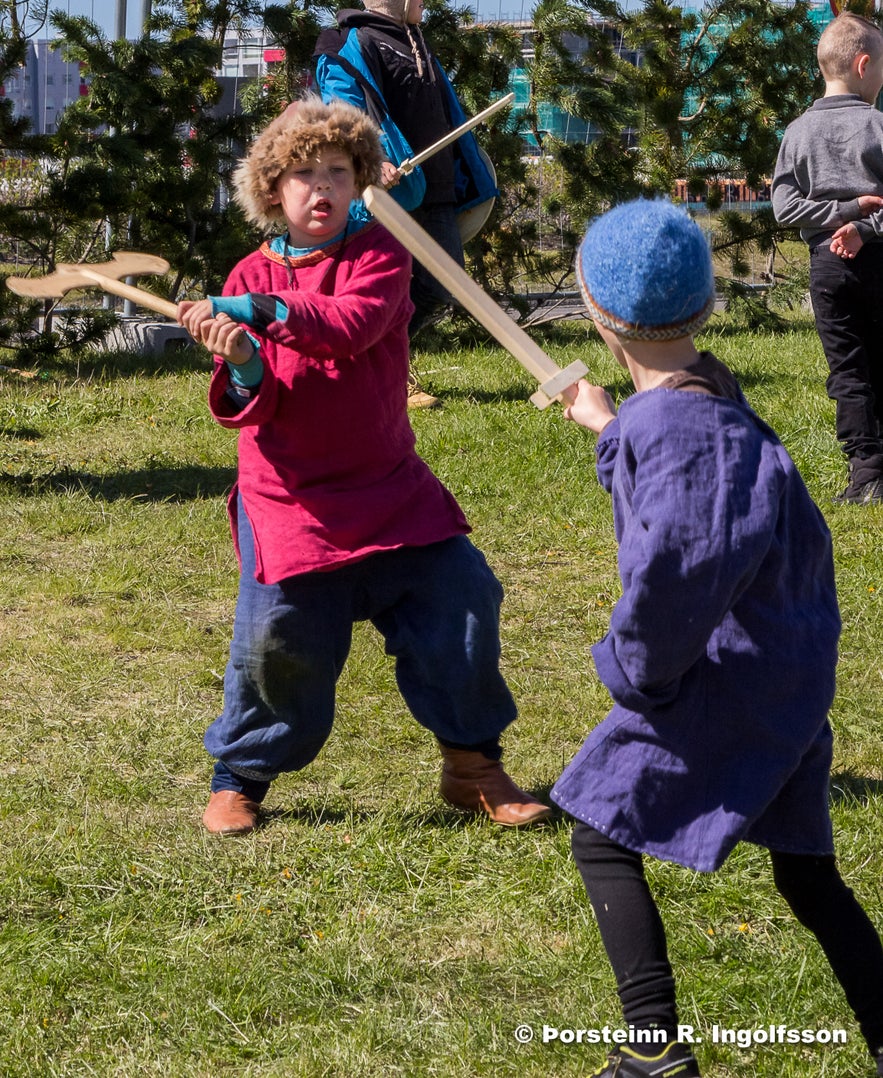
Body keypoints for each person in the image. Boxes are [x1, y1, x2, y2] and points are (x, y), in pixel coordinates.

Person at [550, 198, 883, 1078]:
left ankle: (650, 1048)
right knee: (806, 875)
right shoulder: (702, 399)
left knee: (598, 827)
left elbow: (678, 565)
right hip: (787, 676)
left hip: (724, 677)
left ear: (595, 315)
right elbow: (679, 469)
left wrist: (633, 672)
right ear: (700, 310)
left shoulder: (674, 429)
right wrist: (609, 424)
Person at [176, 96, 550, 836]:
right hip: (289, 501)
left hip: (389, 489)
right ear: (271, 189)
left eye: (337, 173)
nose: (321, 189)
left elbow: (350, 327)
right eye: (303, 175)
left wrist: (261, 312)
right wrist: (244, 359)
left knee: (462, 607)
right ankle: (239, 778)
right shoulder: (249, 271)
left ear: (359, 182)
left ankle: (472, 766)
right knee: (277, 646)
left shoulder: (380, 251)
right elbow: (252, 401)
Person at [313, 0, 498, 408]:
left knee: (440, 285)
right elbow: (345, 111)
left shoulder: (416, 39)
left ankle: (373, 362)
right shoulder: (352, 43)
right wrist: (373, 157)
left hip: (437, 190)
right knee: (387, 290)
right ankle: (381, 371)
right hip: (392, 195)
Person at [772, 11, 883, 505]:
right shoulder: (878, 126)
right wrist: (860, 222)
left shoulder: (797, 132)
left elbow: (783, 206)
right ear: (864, 65)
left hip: (828, 267)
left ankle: (866, 475)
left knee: (848, 368)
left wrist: (839, 218)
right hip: (878, 257)